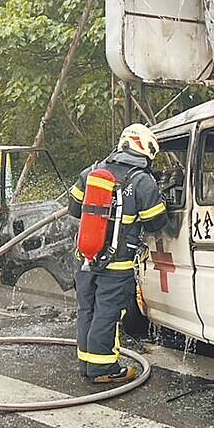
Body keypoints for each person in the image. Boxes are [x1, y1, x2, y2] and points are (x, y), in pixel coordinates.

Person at [68, 123, 168, 382]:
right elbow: (156, 223)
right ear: (145, 149)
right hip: (116, 263)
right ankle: (103, 369)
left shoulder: (93, 170)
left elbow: (74, 208)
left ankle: (87, 363)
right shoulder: (142, 181)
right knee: (107, 313)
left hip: (85, 258)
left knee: (86, 309)